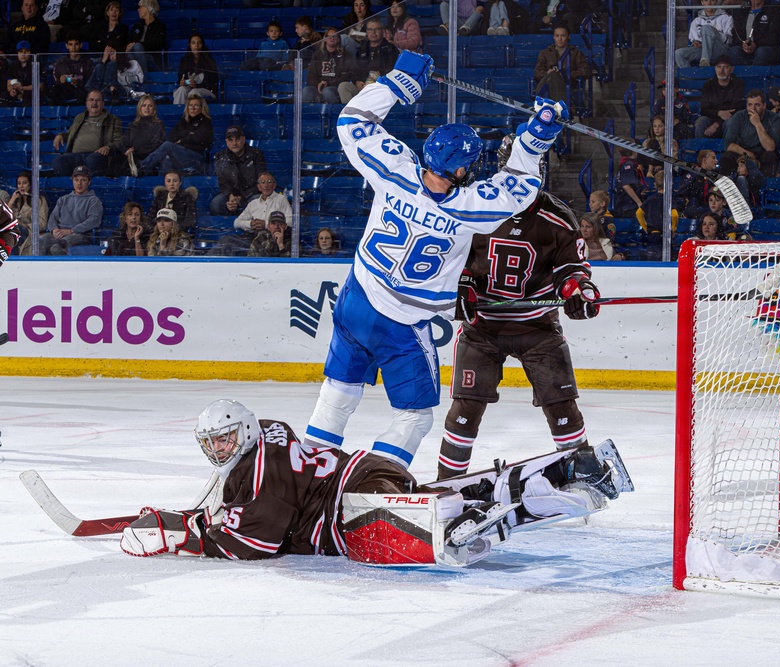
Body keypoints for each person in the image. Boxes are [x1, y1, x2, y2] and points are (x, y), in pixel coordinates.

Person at [303, 51, 568, 471]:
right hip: (402, 325)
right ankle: (373, 485)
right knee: (414, 417)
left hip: (355, 302)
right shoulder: (469, 208)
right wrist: (536, 136)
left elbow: (352, 123)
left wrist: (398, 81)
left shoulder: (393, 171)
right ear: (462, 170)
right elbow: (519, 187)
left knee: (338, 394)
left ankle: (310, 473)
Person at [119, 399, 631, 566]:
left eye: (226, 440)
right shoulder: (271, 434)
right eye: (212, 444)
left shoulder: (260, 473)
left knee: (442, 530)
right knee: (440, 498)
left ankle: (541, 498)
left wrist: (185, 534)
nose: (219, 451)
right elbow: (252, 504)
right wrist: (194, 517)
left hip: (351, 509)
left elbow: (261, 539)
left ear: (245, 433)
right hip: (364, 472)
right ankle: (571, 471)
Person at [438, 135, 602, 479]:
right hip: (483, 328)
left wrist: (577, 289)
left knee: (561, 407)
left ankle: (584, 477)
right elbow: (452, 255)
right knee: (466, 408)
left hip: (537, 327)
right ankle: (448, 484)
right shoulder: (474, 204)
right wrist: (461, 284)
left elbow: (571, 268)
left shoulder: (558, 217)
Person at [214, 172, 292, 256]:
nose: (266, 185)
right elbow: (236, 222)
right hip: (252, 238)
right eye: (263, 182)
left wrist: (266, 225)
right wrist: (250, 224)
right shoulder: (253, 203)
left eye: (269, 181)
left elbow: (291, 221)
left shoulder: (281, 199)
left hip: (270, 239)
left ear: (274, 185)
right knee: (226, 240)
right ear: (259, 187)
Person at [52, 90, 123, 176]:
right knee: (58, 161)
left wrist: (108, 147)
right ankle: (71, 187)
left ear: (103, 104)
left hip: (96, 155)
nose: (94, 102)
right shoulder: (79, 117)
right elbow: (70, 133)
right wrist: (60, 135)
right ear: (86, 103)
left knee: (92, 160)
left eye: (97, 100)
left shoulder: (113, 120)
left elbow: (118, 141)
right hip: (76, 156)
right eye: (91, 99)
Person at [139, 95, 213, 176]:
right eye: (190, 105)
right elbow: (171, 137)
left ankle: (143, 166)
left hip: (196, 157)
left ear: (201, 108)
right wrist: (188, 134)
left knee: (167, 146)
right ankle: (161, 186)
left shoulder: (206, 122)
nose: (193, 108)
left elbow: (200, 139)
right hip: (180, 154)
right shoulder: (184, 121)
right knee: (167, 159)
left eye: (196, 105)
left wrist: (182, 139)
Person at [37, 165, 102, 255]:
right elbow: (53, 217)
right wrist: (54, 229)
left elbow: (94, 221)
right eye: (76, 180)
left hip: (80, 235)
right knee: (40, 241)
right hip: (60, 234)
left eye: (83, 180)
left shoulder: (93, 200)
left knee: (58, 246)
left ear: (89, 182)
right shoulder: (63, 199)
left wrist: (72, 230)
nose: (79, 183)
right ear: (72, 181)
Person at [720, 89, 780, 177]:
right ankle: (726, 188)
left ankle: (766, 188)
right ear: (746, 105)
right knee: (726, 157)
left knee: (770, 156)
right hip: (743, 153)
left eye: (757, 105)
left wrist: (757, 124)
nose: (752, 108)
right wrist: (747, 154)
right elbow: (728, 144)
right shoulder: (739, 116)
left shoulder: (774, 119)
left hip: (762, 154)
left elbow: (770, 147)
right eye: (750, 105)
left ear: (764, 105)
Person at [210, 125, 267, 217]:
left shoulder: (256, 154)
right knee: (216, 204)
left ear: (243, 139)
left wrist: (242, 197)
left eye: (237, 139)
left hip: (251, 193)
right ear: (226, 142)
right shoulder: (220, 156)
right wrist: (231, 196)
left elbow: (261, 180)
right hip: (231, 194)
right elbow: (223, 182)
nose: (234, 143)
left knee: (258, 202)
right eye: (231, 140)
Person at [533, 24, 591, 106]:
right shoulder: (545, 53)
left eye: (563, 36)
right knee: (553, 76)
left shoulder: (576, 53)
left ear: (568, 37)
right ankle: (561, 108)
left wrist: (566, 74)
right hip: (547, 83)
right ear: (554, 37)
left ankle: (545, 106)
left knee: (555, 77)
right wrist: (547, 73)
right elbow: (537, 72)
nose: (560, 39)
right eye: (557, 36)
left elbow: (585, 71)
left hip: (567, 84)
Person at [303, 28, 363, 105]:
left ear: (339, 39)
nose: (332, 38)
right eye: (329, 36)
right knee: (306, 91)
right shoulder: (317, 55)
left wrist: (328, 83)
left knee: (327, 92)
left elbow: (345, 76)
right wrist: (318, 84)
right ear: (325, 39)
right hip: (318, 85)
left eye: (335, 36)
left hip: (335, 86)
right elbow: (311, 76)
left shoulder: (345, 55)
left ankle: (333, 115)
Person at [85, 1, 129, 98]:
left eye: (117, 10)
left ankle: (98, 91)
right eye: (111, 10)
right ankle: (104, 91)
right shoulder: (99, 27)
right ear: (107, 12)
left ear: (120, 13)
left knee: (110, 64)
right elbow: (93, 45)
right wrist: (107, 48)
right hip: (99, 57)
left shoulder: (123, 29)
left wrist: (103, 44)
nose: (114, 12)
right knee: (95, 63)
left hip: (115, 58)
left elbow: (120, 46)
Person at [694, 54, 745, 139]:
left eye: (725, 67)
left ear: (732, 69)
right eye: (719, 67)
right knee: (700, 122)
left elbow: (735, 109)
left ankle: (727, 150)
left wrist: (716, 125)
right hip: (711, 118)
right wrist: (719, 113)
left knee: (730, 122)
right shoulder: (708, 85)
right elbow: (704, 109)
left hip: (728, 120)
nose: (721, 70)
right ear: (715, 68)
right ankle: (701, 151)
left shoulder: (738, 84)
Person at [675, 0, 733, 68]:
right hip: (702, 50)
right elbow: (693, 40)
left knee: (706, 28)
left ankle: (705, 61)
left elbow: (729, 40)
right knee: (678, 53)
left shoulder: (726, 18)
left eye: (712, 0)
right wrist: (696, 43)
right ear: (702, 2)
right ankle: (690, 77)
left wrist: (712, 33)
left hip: (720, 50)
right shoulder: (696, 21)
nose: (709, 3)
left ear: (716, 1)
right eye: (706, 0)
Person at [121, 93, 165, 176]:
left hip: (150, 158)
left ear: (154, 109)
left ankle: (139, 168)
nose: (147, 108)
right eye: (144, 105)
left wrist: (136, 150)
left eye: (150, 106)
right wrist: (127, 150)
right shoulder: (132, 125)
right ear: (139, 108)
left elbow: (156, 145)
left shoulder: (159, 124)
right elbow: (124, 143)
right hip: (133, 157)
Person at [727, 0, 780, 66]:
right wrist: (743, 44)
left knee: (762, 52)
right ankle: (744, 75)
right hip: (745, 47)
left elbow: (774, 37)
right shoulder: (742, 12)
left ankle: (756, 75)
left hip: (765, 47)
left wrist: (756, 44)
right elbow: (736, 34)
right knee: (734, 51)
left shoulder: (773, 12)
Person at [6, 171, 48, 255]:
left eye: (24, 183)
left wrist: (23, 225)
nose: (21, 186)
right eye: (19, 183)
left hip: (29, 233)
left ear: (30, 184)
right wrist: (11, 201)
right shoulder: (15, 201)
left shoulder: (39, 200)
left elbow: (42, 224)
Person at [174, 34, 219, 106]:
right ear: (190, 45)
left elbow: (213, 82)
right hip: (189, 89)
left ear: (202, 45)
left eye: (199, 43)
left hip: (207, 90)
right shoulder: (184, 60)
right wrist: (183, 82)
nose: (196, 45)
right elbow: (181, 78)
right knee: (181, 90)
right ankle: (178, 114)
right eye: (193, 43)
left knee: (194, 92)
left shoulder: (209, 60)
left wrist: (197, 85)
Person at [49, 32, 93, 105]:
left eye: (76, 44)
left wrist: (77, 83)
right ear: (66, 46)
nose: (73, 47)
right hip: (66, 92)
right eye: (70, 44)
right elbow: (56, 81)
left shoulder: (88, 63)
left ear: (80, 45)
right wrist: (60, 80)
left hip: (82, 92)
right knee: (54, 90)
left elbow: (90, 84)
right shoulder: (60, 63)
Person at [125, 0, 167, 74]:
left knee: (137, 46)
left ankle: (144, 76)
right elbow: (129, 40)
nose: (138, 10)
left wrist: (139, 45)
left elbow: (158, 43)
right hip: (135, 54)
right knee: (130, 55)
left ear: (148, 8)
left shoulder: (159, 26)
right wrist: (129, 46)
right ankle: (138, 78)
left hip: (151, 57)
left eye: (141, 7)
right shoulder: (137, 25)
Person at [355, 17, 399, 87]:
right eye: (370, 29)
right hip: (362, 85)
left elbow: (393, 70)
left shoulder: (390, 49)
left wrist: (380, 74)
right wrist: (357, 81)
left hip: (381, 85)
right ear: (366, 32)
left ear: (382, 31)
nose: (373, 32)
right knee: (344, 86)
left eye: (377, 29)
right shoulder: (362, 49)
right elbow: (355, 69)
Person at [2, 41, 38, 106]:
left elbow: (40, 86)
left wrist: (22, 88)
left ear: (30, 53)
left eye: (26, 51)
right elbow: (9, 84)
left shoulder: (35, 65)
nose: (23, 54)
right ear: (17, 53)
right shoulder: (13, 66)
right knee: (4, 95)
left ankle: (26, 115)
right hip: (18, 91)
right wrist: (12, 90)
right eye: (21, 51)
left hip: (30, 93)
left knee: (28, 95)